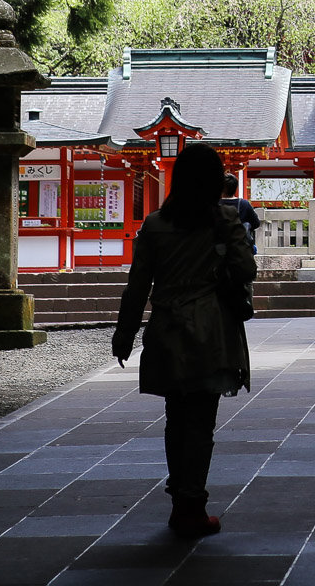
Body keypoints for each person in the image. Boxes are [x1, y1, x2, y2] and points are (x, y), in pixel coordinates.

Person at [112, 143, 255, 539]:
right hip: (211, 329)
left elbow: (137, 286)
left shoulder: (156, 224)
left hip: (169, 327)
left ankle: (181, 501)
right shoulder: (223, 220)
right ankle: (193, 503)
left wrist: (124, 335)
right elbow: (246, 269)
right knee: (201, 422)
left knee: (176, 419)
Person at [222, 171, 261, 244]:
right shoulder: (244, 204)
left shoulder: (213, 204)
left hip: (218, 245)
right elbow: (256, 223)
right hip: (238, 244)